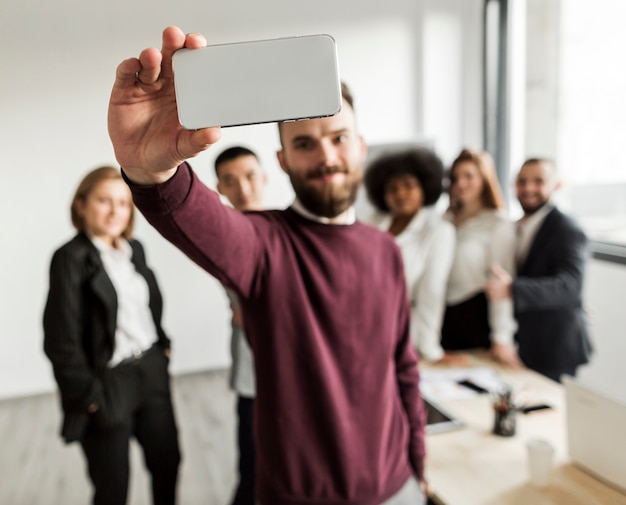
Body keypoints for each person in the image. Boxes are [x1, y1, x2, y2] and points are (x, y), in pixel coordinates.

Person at [108, 26, 427, 505]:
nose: (326, 156)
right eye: (304, 145)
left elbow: (404, 366)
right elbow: (203, 220)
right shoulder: (265, 244)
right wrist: (151, 171)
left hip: (398, 487)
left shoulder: (385, 251)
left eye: (339, 137)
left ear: (361, 147)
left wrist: (418, 466)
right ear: (282, 159)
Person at [43, 166, 181, 505]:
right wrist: (88, 396)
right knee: (112, 487)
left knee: (167, 464)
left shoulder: (135, 249)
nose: (115, 210)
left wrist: (162, 347)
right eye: (104, 200)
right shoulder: (70, 258)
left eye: (122, 202)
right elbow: (61, 339)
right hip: (108, 382)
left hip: (150, 370)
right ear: (81, 205)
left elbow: (150, 306)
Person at [486, 158, 593, 382]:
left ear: (556, 185)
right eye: (522, 181)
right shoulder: (518, 226)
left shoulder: (567, 229)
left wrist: (513, 289)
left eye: (538, 181)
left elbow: (571, 286)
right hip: (527, 341)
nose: (528, 188)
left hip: (555, 347)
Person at [364, 148, 466, 364]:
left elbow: (432, 294)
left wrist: (430, 350)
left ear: (424, 187)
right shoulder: (371, 222)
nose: (400, 194)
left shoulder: (439, 231)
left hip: (403, 334)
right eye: (392, 189)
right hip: (361, 325)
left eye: (408, 186)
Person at [214, 146, 267, 505]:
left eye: (249, 176)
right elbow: (246, 309)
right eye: (231, 181)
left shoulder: (287, 228)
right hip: (253, 371)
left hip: (298, 372)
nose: (243, 188)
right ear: (220, 188)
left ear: (264, 176)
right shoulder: (223, 235)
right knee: (252, 465)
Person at [441, 148, 522, 368]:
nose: (461, 184)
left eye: (469, 176)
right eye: (456, 178)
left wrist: (502, 339)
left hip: (475, 315)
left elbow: (500, 283)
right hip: (441, 313)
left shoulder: (498, 223)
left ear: (484, 179)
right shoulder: (445, 219)